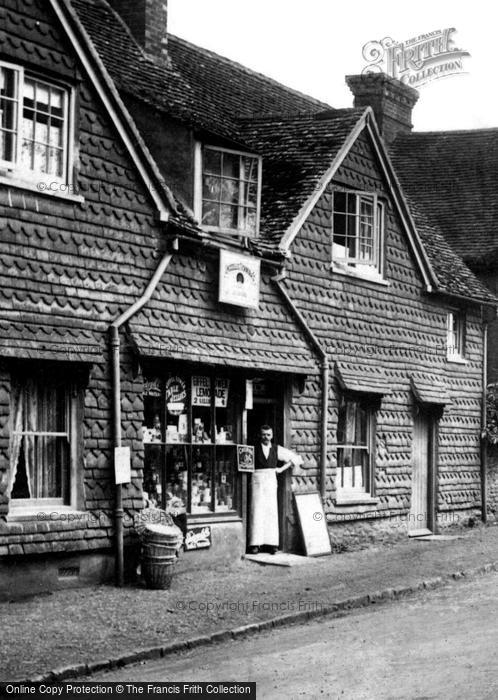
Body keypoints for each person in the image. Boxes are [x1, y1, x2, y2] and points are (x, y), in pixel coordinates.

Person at [248, 424, 302, 555]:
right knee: (257, 510)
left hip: (271, 479)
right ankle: (255, 544)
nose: (265, 437)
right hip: (257, 479)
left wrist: (281, 469)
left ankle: (271, 544)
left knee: (271, 510)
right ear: (259, 435)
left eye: (268, 435)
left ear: (271, 436)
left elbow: (295, 458)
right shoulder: (253, 448)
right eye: (263, 435)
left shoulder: (276, 449)